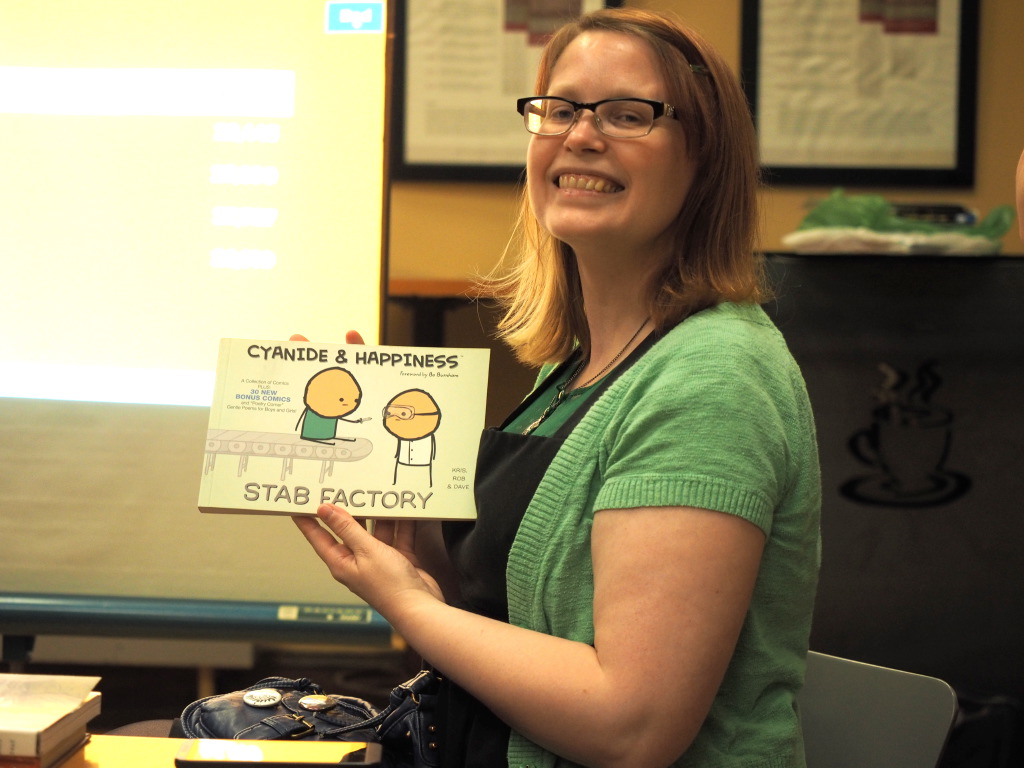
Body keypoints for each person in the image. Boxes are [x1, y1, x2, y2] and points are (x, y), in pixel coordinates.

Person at [293, 8, 821, 768]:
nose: (581, 136)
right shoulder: (576, 366)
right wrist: (399, 511)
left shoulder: (714, 379)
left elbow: (630, 726)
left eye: (627, 115)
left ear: (705, 157)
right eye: (561, 108)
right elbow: (507, 616)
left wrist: (404, 605)